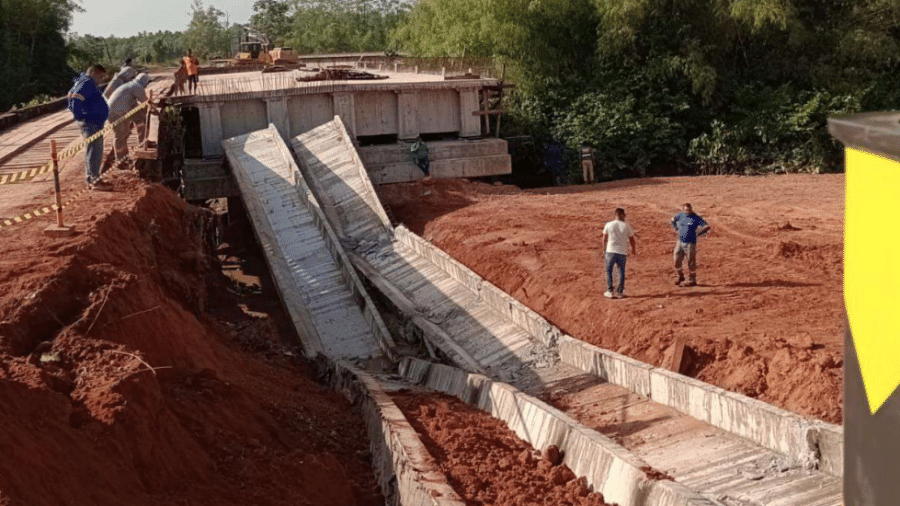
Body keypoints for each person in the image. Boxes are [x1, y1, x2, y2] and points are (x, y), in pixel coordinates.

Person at [67, 64, 111, 190]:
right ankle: (94, 180)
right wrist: (83, 116)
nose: (101, 80)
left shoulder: (84, 82)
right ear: (93, 73)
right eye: (100, 76)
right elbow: (74, 99)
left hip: (93, 122)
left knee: (93, 150)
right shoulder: (86, 83)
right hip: (90, 123)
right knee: (94, 151)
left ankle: (92, 178)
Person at [106, 73, 151, 166]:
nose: (147, 85)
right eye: (147, 82)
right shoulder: (137, 87)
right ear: (144, 81)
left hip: (120, 112)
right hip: (115, 113)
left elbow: (134, 103)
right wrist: (153, 109)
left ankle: (124, 157)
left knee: (125, 133)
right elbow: (145, 102)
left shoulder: (130, 85)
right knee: (119, 136)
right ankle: (119, 161)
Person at [671, 203, 711, 286]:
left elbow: (707, 226)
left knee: (691, 262)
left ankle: (692, 280)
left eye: (689, 210)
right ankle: (680, 275)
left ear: (691, 209)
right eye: (686, 210)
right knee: (676, 259)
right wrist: (675, 229)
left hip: (690, 243)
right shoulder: (681, 215)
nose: (688, 211)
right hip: (680, 242)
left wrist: (699, 233)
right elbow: (672, 220)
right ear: (683, 210)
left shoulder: (695, 218)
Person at [601, 208, 637, 298]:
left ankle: (610, 291)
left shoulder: (609, 224)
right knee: (621, 271)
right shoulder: (626, 226)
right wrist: (633, 250)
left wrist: (604, 249)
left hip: (610, 251)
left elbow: (604, 238)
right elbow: (632, 239)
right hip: (622, 252)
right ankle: (620, 292)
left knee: (609, 271)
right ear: (621, 215)